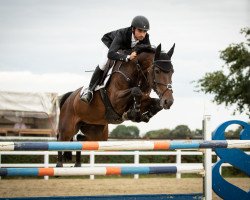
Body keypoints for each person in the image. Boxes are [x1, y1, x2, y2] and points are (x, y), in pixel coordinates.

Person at [80, 15, 151, 103]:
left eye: (145, 31)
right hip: (110, 45)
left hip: (125, 48)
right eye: (140, 31)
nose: (142, 34)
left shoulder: (145, 37)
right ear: (133, 29)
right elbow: (111, 54)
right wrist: (127, 57)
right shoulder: (122, 34)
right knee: (103, 63)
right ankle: (89, 90)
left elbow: (146, 50)